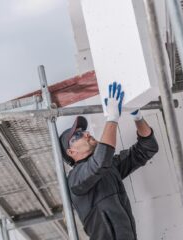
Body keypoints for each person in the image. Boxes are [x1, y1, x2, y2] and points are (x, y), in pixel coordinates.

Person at [59, 81, 159, 239]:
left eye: (84, 131)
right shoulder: (75, 180)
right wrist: (112, 118)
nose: (86, 134)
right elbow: (99, 162)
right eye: (77, 135)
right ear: (71, 151)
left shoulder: (110, 168)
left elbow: (147, 147)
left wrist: (136, 115)